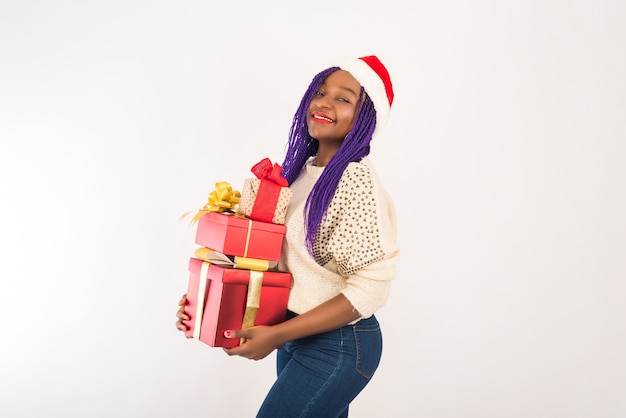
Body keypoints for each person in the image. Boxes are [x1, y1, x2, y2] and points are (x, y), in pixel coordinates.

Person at [176, 55, 400, 418]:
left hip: (340, 345)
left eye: (343, 98)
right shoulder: (298, 176)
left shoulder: (355, 182)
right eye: (320, 92)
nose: (324, 102)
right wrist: (205, 303)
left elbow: (371, 289)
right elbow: (273, 263)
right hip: (295, 336)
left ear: (365, 119)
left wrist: (278, 335)